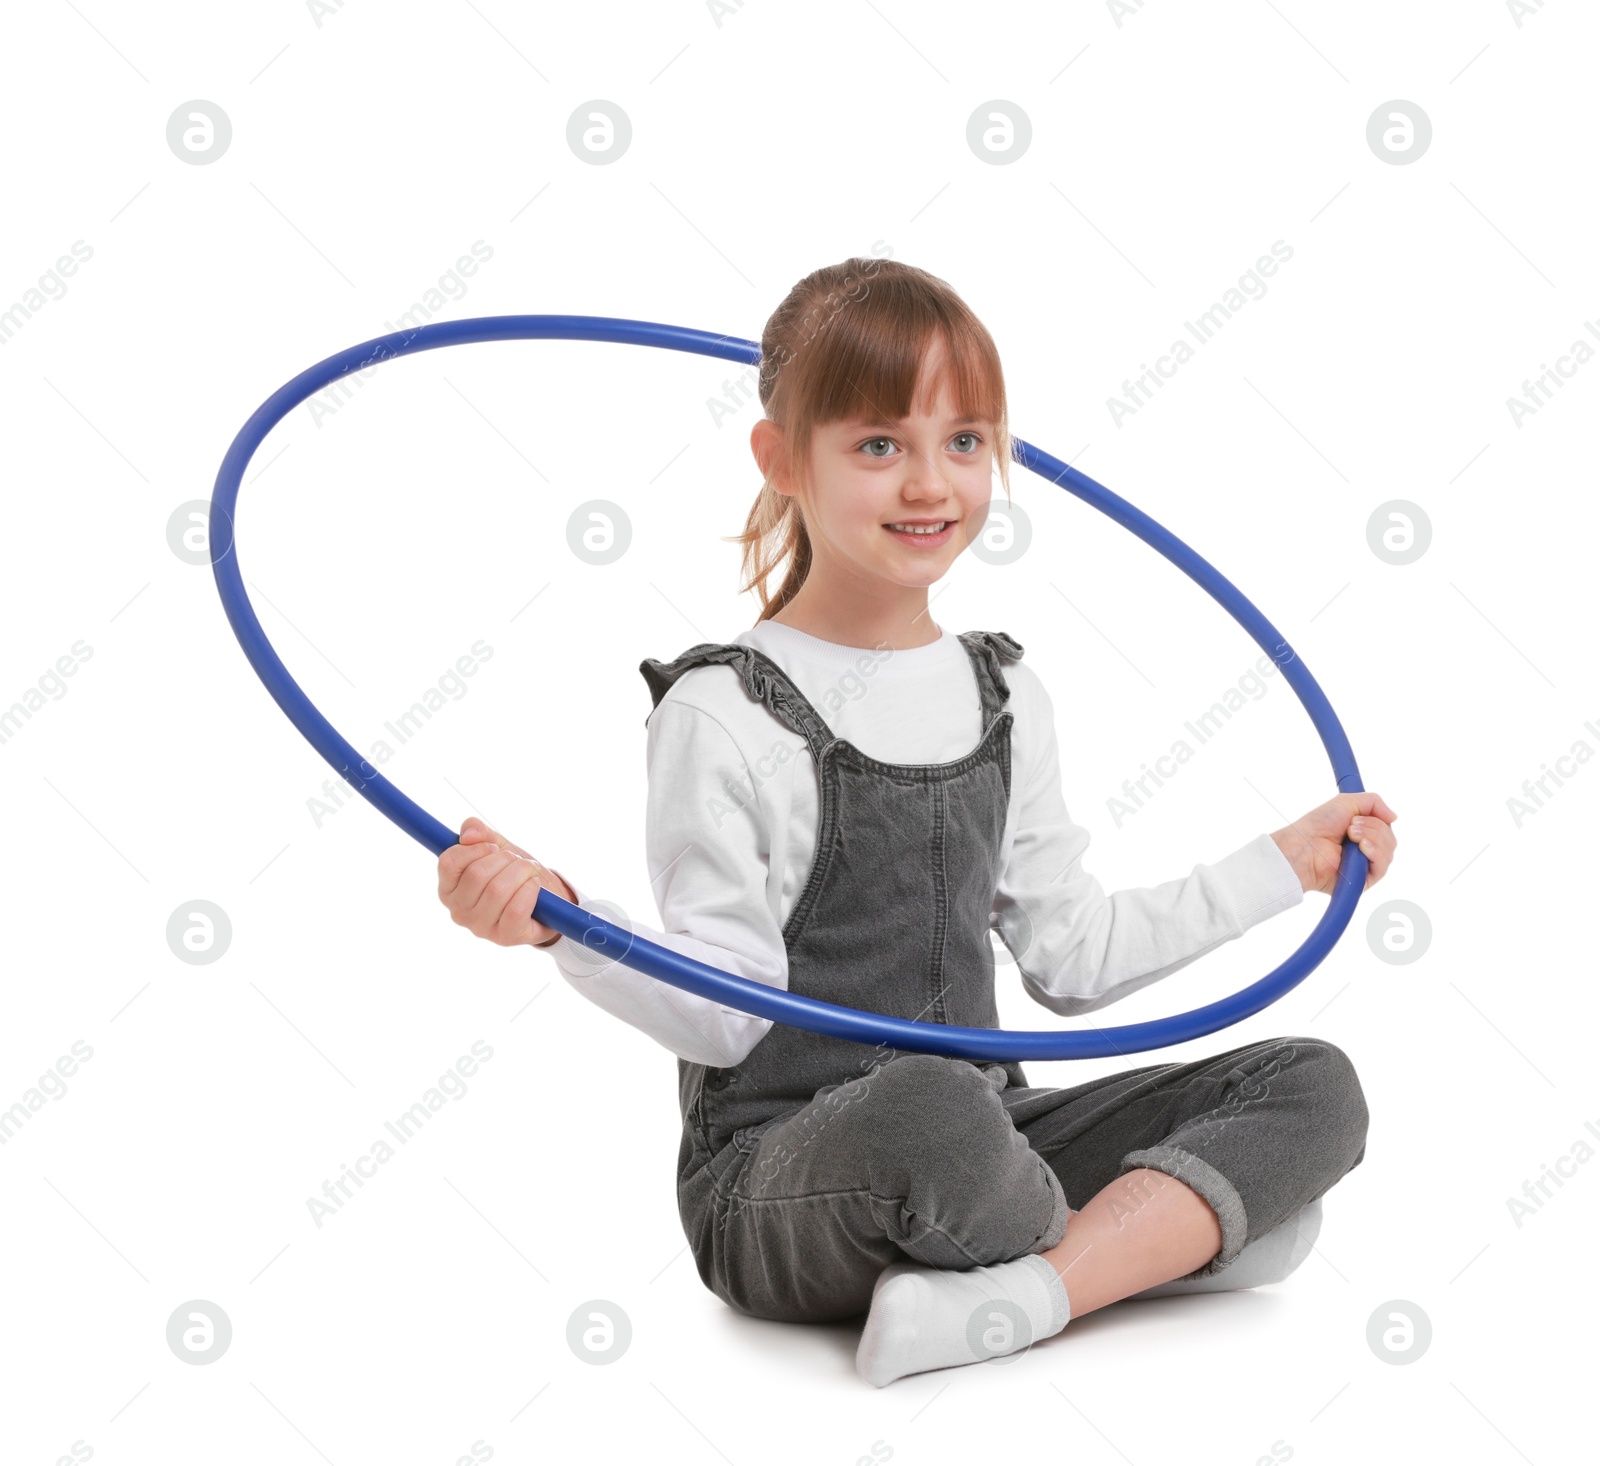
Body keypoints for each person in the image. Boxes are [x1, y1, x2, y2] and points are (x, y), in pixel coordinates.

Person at [436, 256, 1395, 1388]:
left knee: (1308, 1083)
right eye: (878, 444)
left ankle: (1034, 1287)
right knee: (932, 1110)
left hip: (992, 1142)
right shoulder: (723, 710)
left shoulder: (1003, 692)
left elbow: (1072, 960)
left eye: (966, 440)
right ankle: (1153, 1243)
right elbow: (721, 1014)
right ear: (783, 458)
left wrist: (1281, 866)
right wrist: (564, 923)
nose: (929, 482)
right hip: (787, 1179)